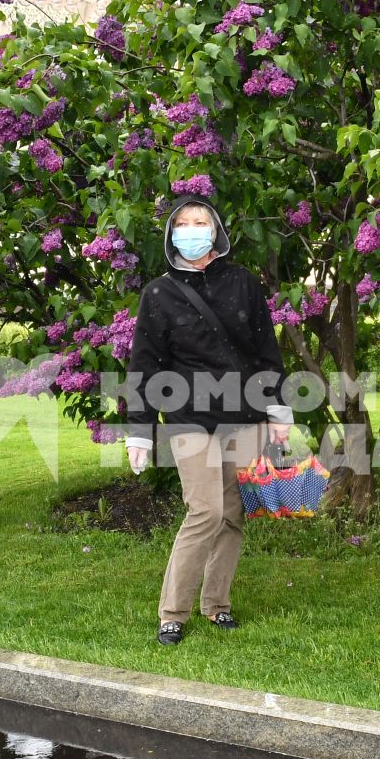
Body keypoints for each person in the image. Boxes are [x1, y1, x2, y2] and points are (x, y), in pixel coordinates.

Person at [124, 196, 291, 645]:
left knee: (234, 514)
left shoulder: (243, 283)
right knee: (206, 510)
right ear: (171, 234)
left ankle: (217, 605)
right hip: (188, 418)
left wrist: (278, 412)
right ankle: (172, 613)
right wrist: (139, 433)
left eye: (201, 221)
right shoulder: (159, 293)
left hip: (244, 415)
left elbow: (265, 351)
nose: (193, 229)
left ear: (216, 230)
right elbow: (144, 366)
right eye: (183, 223)